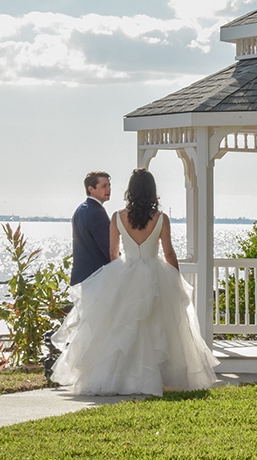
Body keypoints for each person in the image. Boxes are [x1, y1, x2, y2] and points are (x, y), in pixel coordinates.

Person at [51, 168, 218, 395]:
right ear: (152, 191)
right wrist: (174, 276)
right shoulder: (161, 219)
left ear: (130, 191)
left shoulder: (117, 217)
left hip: (126, 271)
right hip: (155, 272)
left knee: (121, 327)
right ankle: (155, 376)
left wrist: (122, 271)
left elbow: (112, 253)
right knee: (158, 326)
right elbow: (169, 253)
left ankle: (120, 378)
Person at [70, 171, 112, 285]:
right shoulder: (97, 213)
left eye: (109, 185)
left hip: (81, 276)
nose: (108, 189)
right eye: (104, 186)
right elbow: (108, 248)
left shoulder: (80, 210)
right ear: (91, 189)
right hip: (95, 278)